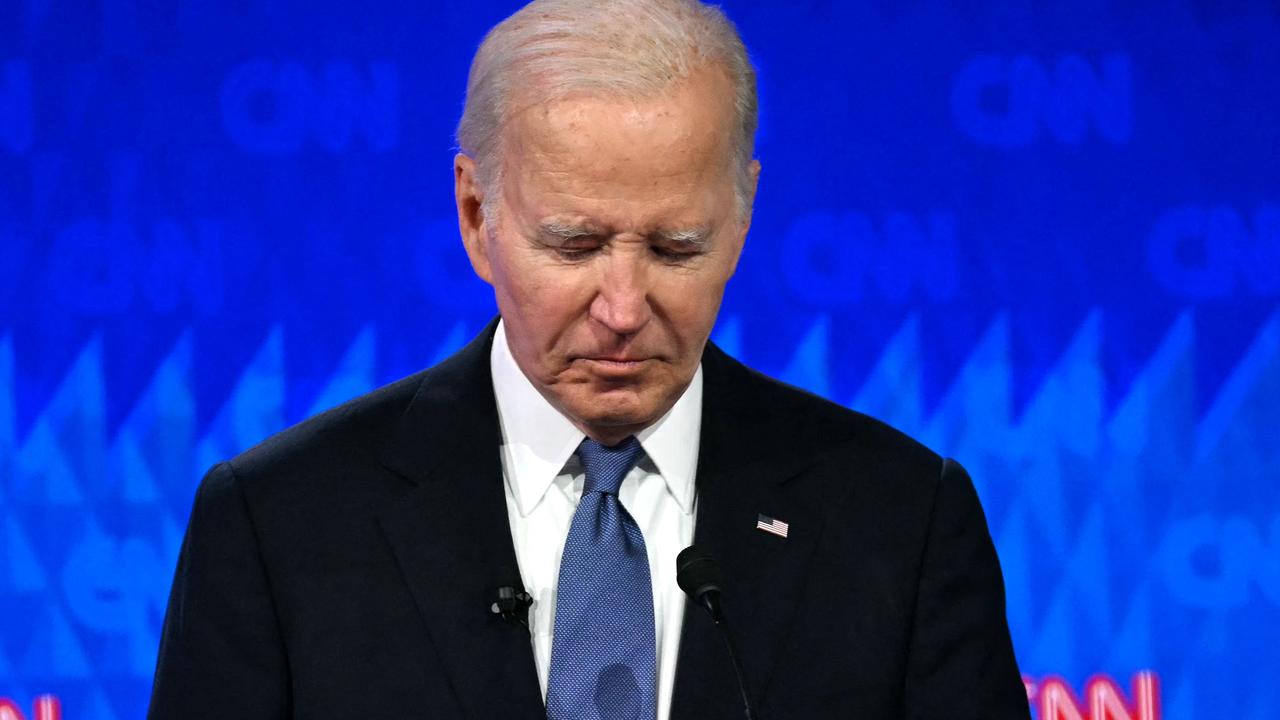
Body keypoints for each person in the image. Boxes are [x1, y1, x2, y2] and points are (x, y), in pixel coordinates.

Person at [148, 0, 1031, 718]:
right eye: (572, 246)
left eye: (677, 247)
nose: (621, 309)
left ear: (744, 214)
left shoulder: (901, 523)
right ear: (475, 216)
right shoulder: (281, 527)